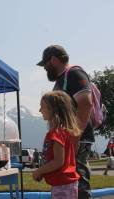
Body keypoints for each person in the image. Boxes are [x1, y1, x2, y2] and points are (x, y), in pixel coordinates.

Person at [37, 44, 94, 199]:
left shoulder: (74, 74)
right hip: (68, 139)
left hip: (77, 139)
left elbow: (85, 104)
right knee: (70, 181)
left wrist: (75, 137)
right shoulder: (62, 80)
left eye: (45, 64)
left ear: (54, 60)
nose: (44, 68)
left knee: (77, 181)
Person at [32, 91, 81, 199]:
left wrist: (39, 171)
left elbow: (58, 161)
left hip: (63, 185)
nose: (40, 110)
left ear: (53, 109)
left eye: (42, 107)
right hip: (64, 184)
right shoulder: (62, 132)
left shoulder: (56, 133)